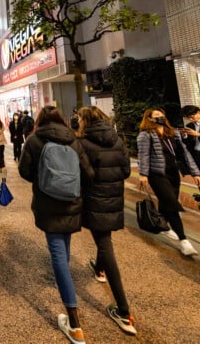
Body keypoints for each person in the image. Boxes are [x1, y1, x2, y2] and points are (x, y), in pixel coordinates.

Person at [18, 106, 94, 344]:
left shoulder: (33, 140)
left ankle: (74, 323)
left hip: (47, 203)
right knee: (64, 249)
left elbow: (24, 171)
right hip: (72, 201)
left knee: (58, 255)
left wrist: (44, 180)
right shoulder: (73, 140)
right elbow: (88, 173)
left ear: (39, 120)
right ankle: (64, 280)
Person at [75, 106, 136, 336]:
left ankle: (123, 309)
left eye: (79, 118)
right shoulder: (118, 141)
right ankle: (98, 267)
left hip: (95, 200)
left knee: (104, 243)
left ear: (85, 120)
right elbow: (126, 172)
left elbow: (86, 174)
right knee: (104, 239)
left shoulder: (83, 143)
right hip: (114, 198)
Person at [136, 107, 200, 256]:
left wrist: (195, 173)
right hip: (156, 174)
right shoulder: (145, 135)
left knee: (167, 202)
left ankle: (162, 225)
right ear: (150, 119)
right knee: (172, 203)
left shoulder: (172, 133)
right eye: (157, 115)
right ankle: (184, 240)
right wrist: (143, 174)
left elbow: (184, 153)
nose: (160, 117)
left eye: (162, 114)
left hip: (173, 172)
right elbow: (143, 155)